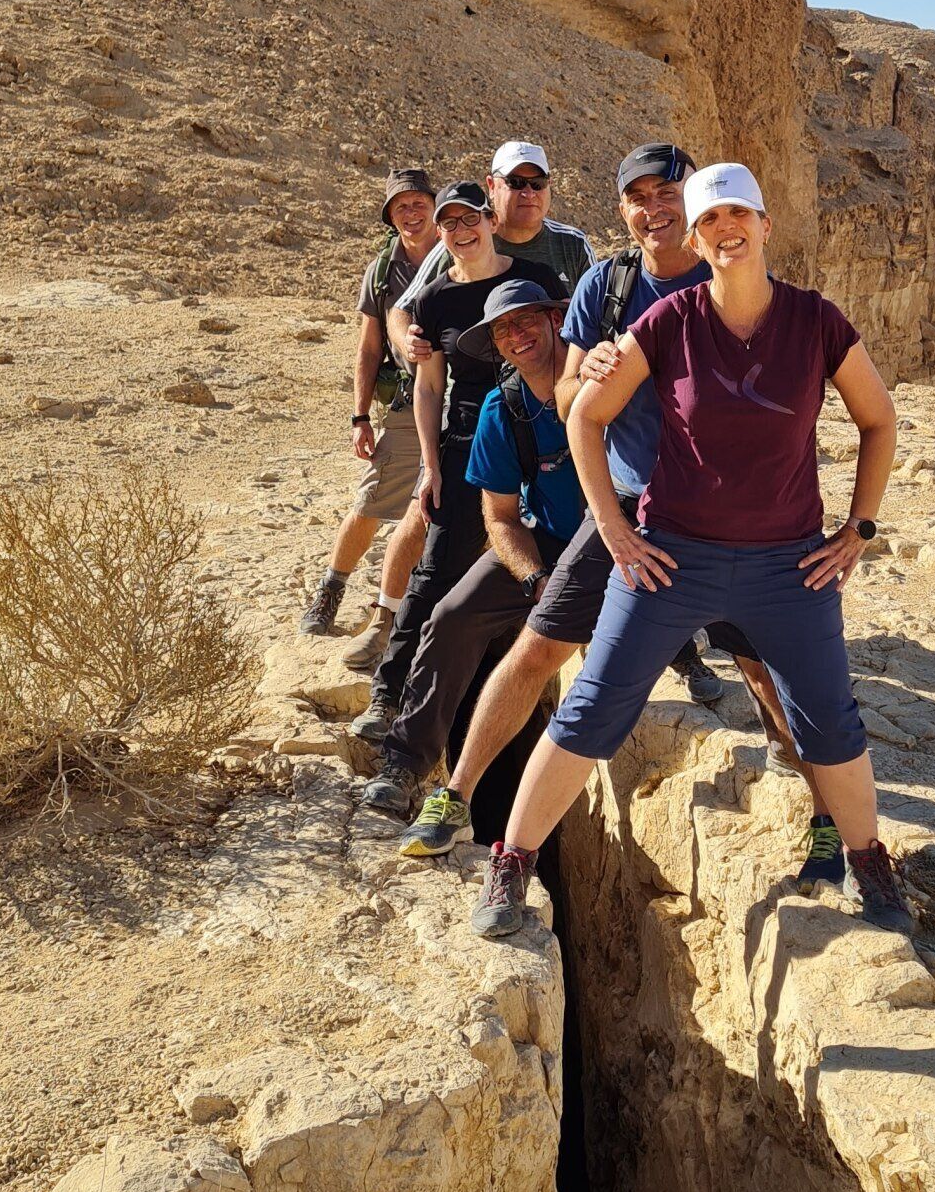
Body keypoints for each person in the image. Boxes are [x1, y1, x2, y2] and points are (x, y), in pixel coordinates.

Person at [469, 161, 908, 938]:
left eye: (738, 215)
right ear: (698, 242)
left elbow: (879, 420)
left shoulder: (816, 321)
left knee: (828, 722)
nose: (724, 230)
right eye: (709, 222)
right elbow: (584, 416)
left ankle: (867, 860)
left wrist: (858, 529)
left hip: (786, 567)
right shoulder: (669, 321)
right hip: (671, 558)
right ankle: (513, 864)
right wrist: (613, 527)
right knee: (593, 707)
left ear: (765, 225)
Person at [400, 143, 825, 869]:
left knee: (769, 669)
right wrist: (589, 371)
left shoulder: (733, 276)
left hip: (727, 512)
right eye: (638, 197)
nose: (654, 210)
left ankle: (822, 812)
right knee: (538, 646)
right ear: (623, 208)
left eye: (668, 195)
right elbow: (569, 399)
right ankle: (457, 793)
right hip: (632, 507)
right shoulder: (608, 285)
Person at [357, 278, 585, 828]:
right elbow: (500, 518)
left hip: (614, 539)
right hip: (547, 540)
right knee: (452, 615)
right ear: (495, 346)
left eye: (526, 319)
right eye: (503, 330)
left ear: (556, 320)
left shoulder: (600, 381)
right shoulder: (502, 409)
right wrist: (535, 579)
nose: (517, 335)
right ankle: (405, 765)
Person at [350, 184, 560, 743]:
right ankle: (388, 695)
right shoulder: (435, 298)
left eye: (471, 219)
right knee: (437, 569)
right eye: (450, 224)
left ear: (491, 220)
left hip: (544, 431)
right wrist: (431, 465)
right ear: (439, 232)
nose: (462, 231)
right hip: (470, 439)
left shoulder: (537, 279)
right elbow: (428, 387)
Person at [299, 169, 439, 648]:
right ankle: (331, 590)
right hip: (407, 401)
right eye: (401, 207)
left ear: (434, 206)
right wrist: (360, 416)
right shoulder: (382, 270)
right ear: (391, 217)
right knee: (372, 500)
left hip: (460, 400)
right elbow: (369, 347)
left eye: (419, 203)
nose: (411, 213)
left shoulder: (459, 249)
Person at [390, 141, 594, 345]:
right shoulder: (462, 244)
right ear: (491, 186)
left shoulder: (572, 244)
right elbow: (402, 310)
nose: (529, 193)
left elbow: (598, 310)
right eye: (515, 182)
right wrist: (410, 345)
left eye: (538, 183)